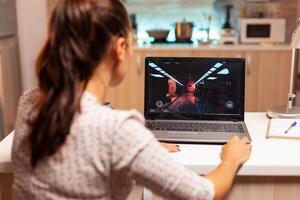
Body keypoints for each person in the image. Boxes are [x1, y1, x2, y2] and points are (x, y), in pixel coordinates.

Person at [11, 0, 251, 199]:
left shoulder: (28, 102)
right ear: (121, 47)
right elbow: (201, 194)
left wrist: (141, 146)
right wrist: (230, 160)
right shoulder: (118, 131)